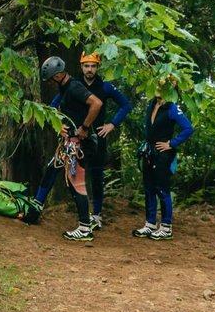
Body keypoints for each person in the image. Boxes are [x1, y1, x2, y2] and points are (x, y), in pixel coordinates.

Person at [39, 57, 103, 240]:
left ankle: (84, 227)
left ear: (58, 75)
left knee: (77, 183)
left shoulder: (74, 87)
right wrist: (61, 125)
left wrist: (84, 127)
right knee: (61, 173)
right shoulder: (65, 89)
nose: (51, 83)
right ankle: (84, 223)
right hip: (72, 143)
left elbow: (96, 103)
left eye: (52, 79)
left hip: (81, 144)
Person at [76, 53, 131, 227]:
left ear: (97, 67)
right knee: (75, 175)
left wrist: (112, 124)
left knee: (97, 176)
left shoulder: (106, 87)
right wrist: (60, 125)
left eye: (93, 66)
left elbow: (126, 105)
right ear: (81, 67)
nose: (90, 69)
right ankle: (82, 215)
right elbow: (55, 104)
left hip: (98, 138)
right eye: (86, 66)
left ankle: (97, 215)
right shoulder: (74, 85)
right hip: (77, 137)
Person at [132, 83, 193, 240]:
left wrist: (171, 144)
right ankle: (150, 223)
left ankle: (166, 227)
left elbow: (188, 128)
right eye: (157, 86)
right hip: (149, 151)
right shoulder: (151, 104)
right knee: (149, 188)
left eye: (163, 87)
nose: (158, 89)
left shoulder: (172, 108)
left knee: (162, 188)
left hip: (163, 153)